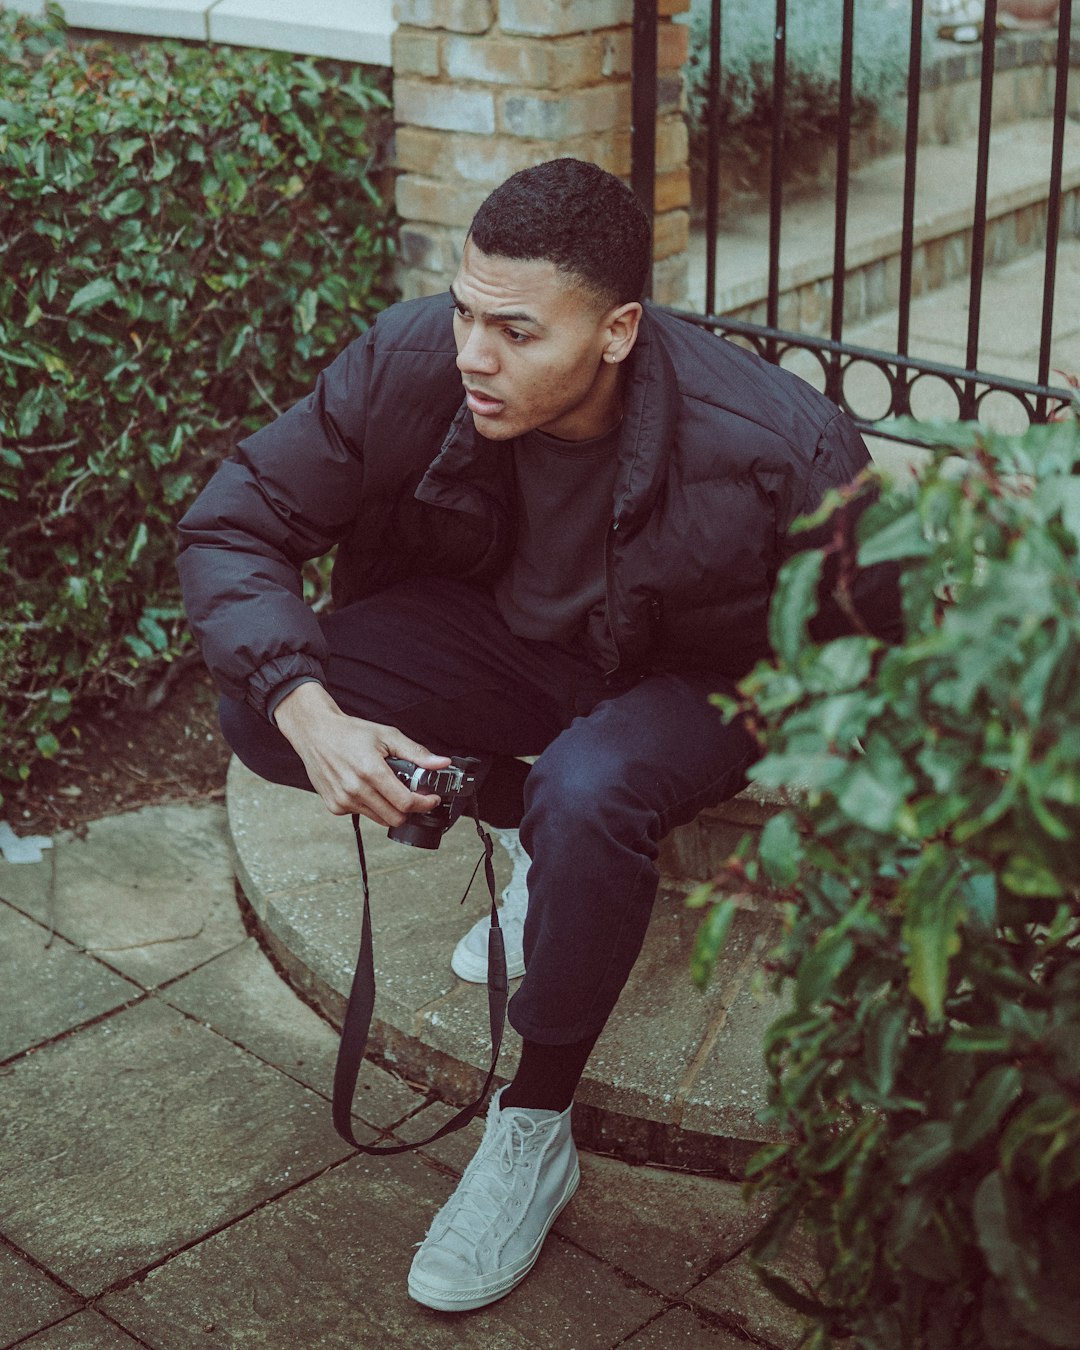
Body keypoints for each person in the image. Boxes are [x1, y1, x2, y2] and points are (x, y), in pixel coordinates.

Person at [177, 157, 901, 1313]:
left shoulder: (779, 445)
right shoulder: (414, 364)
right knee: (261, 703)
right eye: (466, 311)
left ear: (615, 331)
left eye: (516, 330)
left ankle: (534, 1127)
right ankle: (531, 826)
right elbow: (233, 523)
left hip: (694, 678)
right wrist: (308, 712)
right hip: (502, 644)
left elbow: (875, 641)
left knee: (595, 790)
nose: (474, 353)